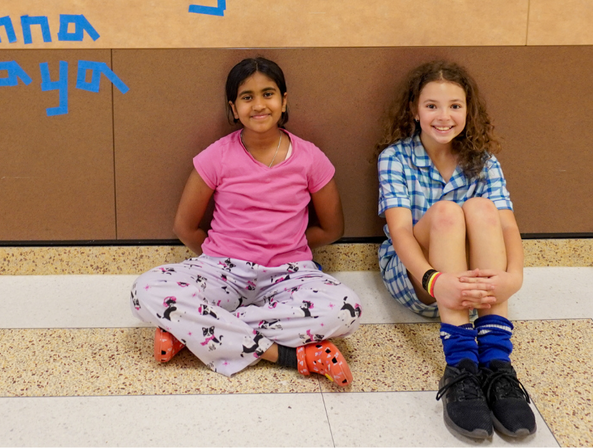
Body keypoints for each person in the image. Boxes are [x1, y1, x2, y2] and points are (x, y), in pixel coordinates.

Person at [131, 56, 362, 385]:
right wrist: (222, 253)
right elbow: (185, 227)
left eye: (268, 94)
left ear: (284, 102)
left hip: (289, 275)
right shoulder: (217, 156)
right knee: (145, 292)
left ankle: (192, 332)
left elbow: (332, 228)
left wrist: (285, 249)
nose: (259, 105)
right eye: (247, 97)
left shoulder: (311, 158)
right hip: (221, 269)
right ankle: (292, 355)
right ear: (233, 107)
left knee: (347, 309)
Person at [375, 60, 537, 439]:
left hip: (474, 282)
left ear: (468, 111)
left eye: (455, 106)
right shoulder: (396, 157)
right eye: (432, 106)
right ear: (414, 110)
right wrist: (436, 280)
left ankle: (497, 365)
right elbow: (400, 233)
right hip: (417, 276)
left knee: (483, 209)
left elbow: (508, 225)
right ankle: (462, 366)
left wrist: (514, 277)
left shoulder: (484, 161)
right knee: (447, 213)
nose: (443, 116)